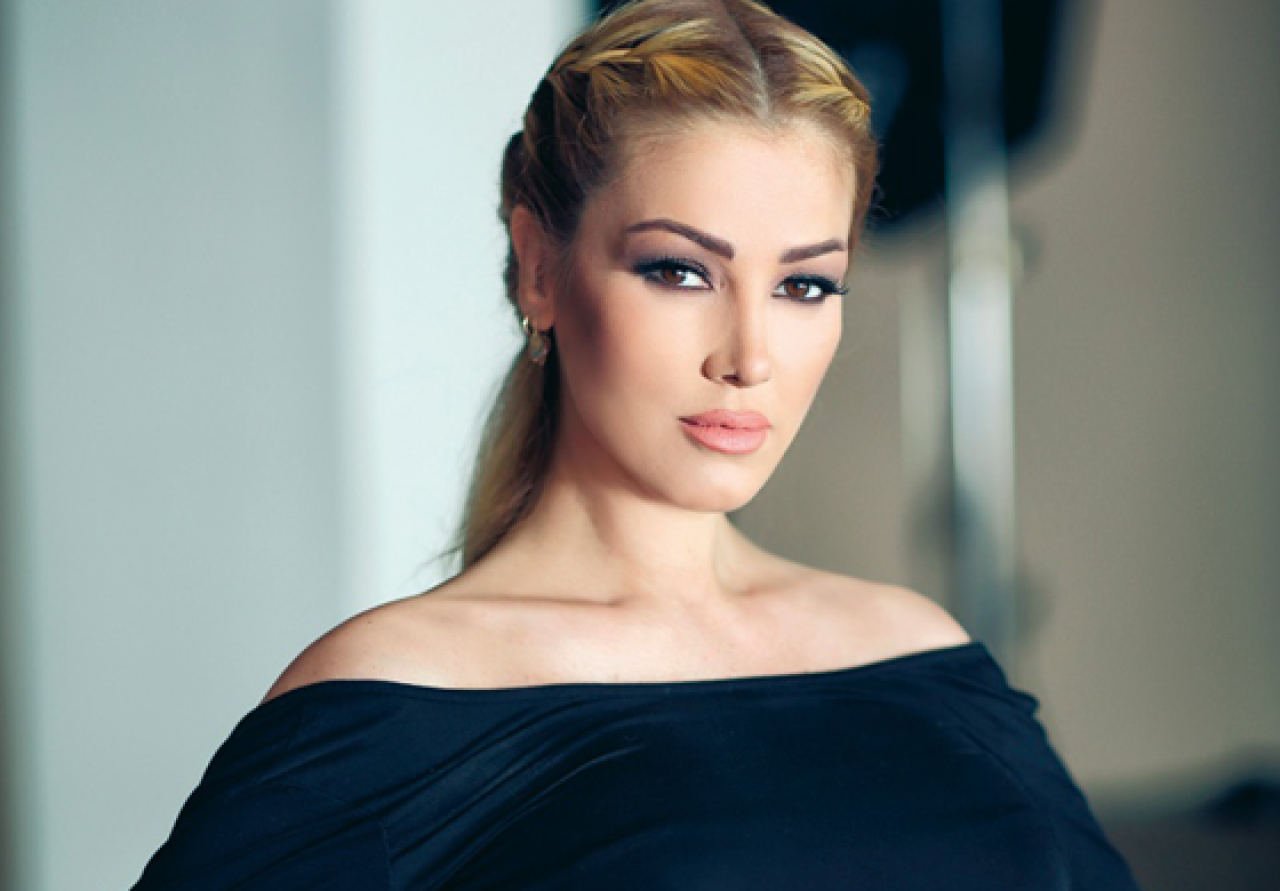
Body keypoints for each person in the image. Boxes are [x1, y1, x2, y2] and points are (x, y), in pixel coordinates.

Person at [131, 0, 1141, 888]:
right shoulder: (391, 699)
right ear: (539, 268)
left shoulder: (922, 653)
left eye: (803, 285)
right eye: (678, 271)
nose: (748, 357)